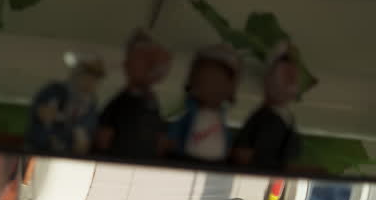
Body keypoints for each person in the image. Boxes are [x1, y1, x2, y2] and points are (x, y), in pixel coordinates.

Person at [95, 29, 173, 159]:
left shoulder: (151, 101)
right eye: (141, 60)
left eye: (149, 62)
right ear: (127, 65)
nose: (150, 68)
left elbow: (160, 136)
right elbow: (103, 138)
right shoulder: (118, 104)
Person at [230, 42, 302, 170]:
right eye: (285, 76)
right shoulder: (260, 118)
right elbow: (242, 154)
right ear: (268, 81)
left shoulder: (288, 119)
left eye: (292, 77)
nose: (290, 83)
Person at [165, 44, 241, 163]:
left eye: (219, 82)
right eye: (206, 80)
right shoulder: (187, 120)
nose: (213, 87)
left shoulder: (221, 122)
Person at [26, 53, 106, 155]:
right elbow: (43, 114)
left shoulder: (91, 107)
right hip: (39, 152)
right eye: (87, 74)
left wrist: (80, 138)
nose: (91, 81)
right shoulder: (54, 91)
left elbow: (83, 145)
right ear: (77, 73)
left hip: (68, 159)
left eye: (96, 78)